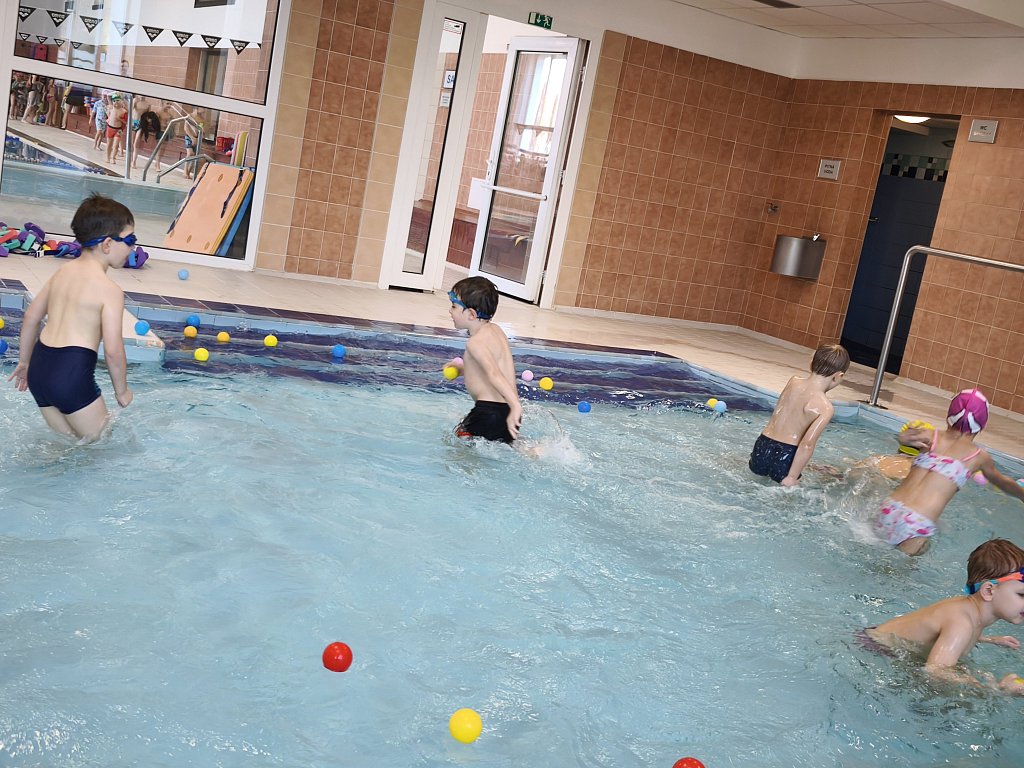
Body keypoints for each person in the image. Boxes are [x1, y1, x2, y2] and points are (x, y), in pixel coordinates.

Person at [8, 194, 135, 442]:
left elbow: (31, 316)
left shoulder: (62, 272)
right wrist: (122, 391)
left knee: (66, 446)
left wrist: (24, 362)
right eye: (130, 240)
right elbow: (113, 351)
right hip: (71, 373)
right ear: (107, 244)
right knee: (99, 443)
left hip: (39, 369)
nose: (132, 248)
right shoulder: (110, 290)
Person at [861, 539, 1024, 694]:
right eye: (1021, 594)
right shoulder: (962, 623)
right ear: (988, 591)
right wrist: (996, 688)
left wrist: (991, 639)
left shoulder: (968, 611)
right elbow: (935, 672)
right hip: (876, 652)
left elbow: (946, 634)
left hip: (879, 640)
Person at [875, 389, 1024, 555]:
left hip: (889, 508)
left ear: (948, 416)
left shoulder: (931, 436)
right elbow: (1003, 482)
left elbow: (904, 439)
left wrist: (904, 437)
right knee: (899, 567)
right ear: (981, 426)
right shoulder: (978, 456)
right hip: (917, 523)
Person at [749, 343, 850, 486]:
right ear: (839, 376)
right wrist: (792, 477)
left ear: (810, 364)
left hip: (762, 445)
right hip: (787, 453)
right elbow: (807, 444)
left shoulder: (793, 382)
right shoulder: (826, 408)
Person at [446, 276, 522, 443]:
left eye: (453, 306)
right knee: (504, 446)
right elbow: (488, 369)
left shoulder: (475, 342)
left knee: (455, 444)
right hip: (506, 411)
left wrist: (517, 406)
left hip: (489, 411)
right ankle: (531, 451)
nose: (450, 311)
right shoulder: (496, 331)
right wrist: (461, 369)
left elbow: (494, 373)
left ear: (471, 314)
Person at [105, 94, 129, 164]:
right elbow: (108, 98)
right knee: (109, 144)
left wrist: (119, 119)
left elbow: (126, 122)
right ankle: (108, 157)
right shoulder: (111, 108)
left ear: (121, 101)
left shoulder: (124, 111)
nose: (116, 102)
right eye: (114, 101)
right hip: (110, 128)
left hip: (118, 129)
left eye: (117, 100)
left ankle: (113, 158)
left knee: (116, 145)